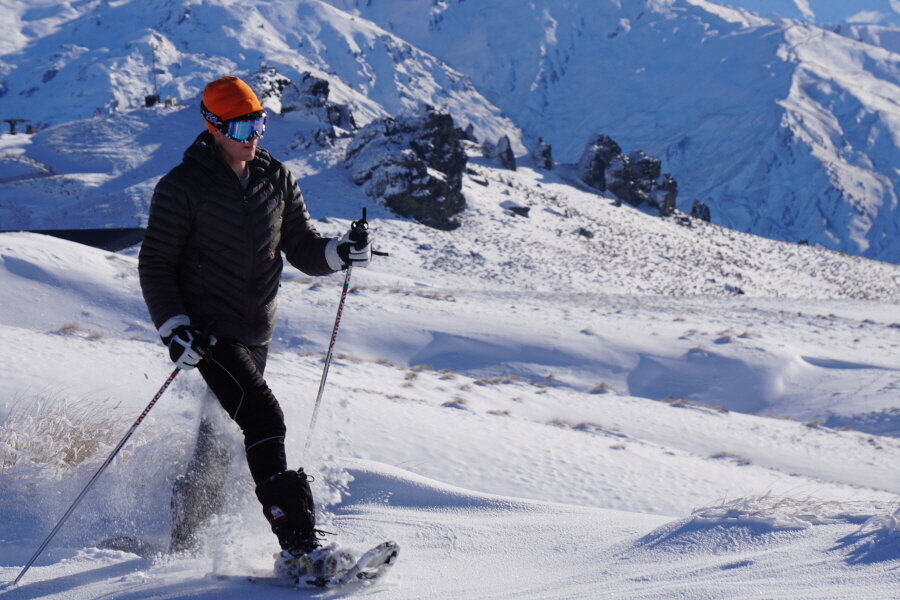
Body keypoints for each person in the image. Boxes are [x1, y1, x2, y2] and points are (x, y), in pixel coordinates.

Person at [138, 75, 372, 577]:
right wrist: (175, 328)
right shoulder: (183, 186)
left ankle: (183, 547)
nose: (254, 135)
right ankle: (299, 545)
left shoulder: (275, 178)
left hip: (255, 332)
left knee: (221, 443)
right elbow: (155, 262)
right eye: (243, 126)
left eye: (259, 122)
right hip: (207, 333)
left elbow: (303, 245)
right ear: (214, 125)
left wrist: (340, 252)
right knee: (265, 420)